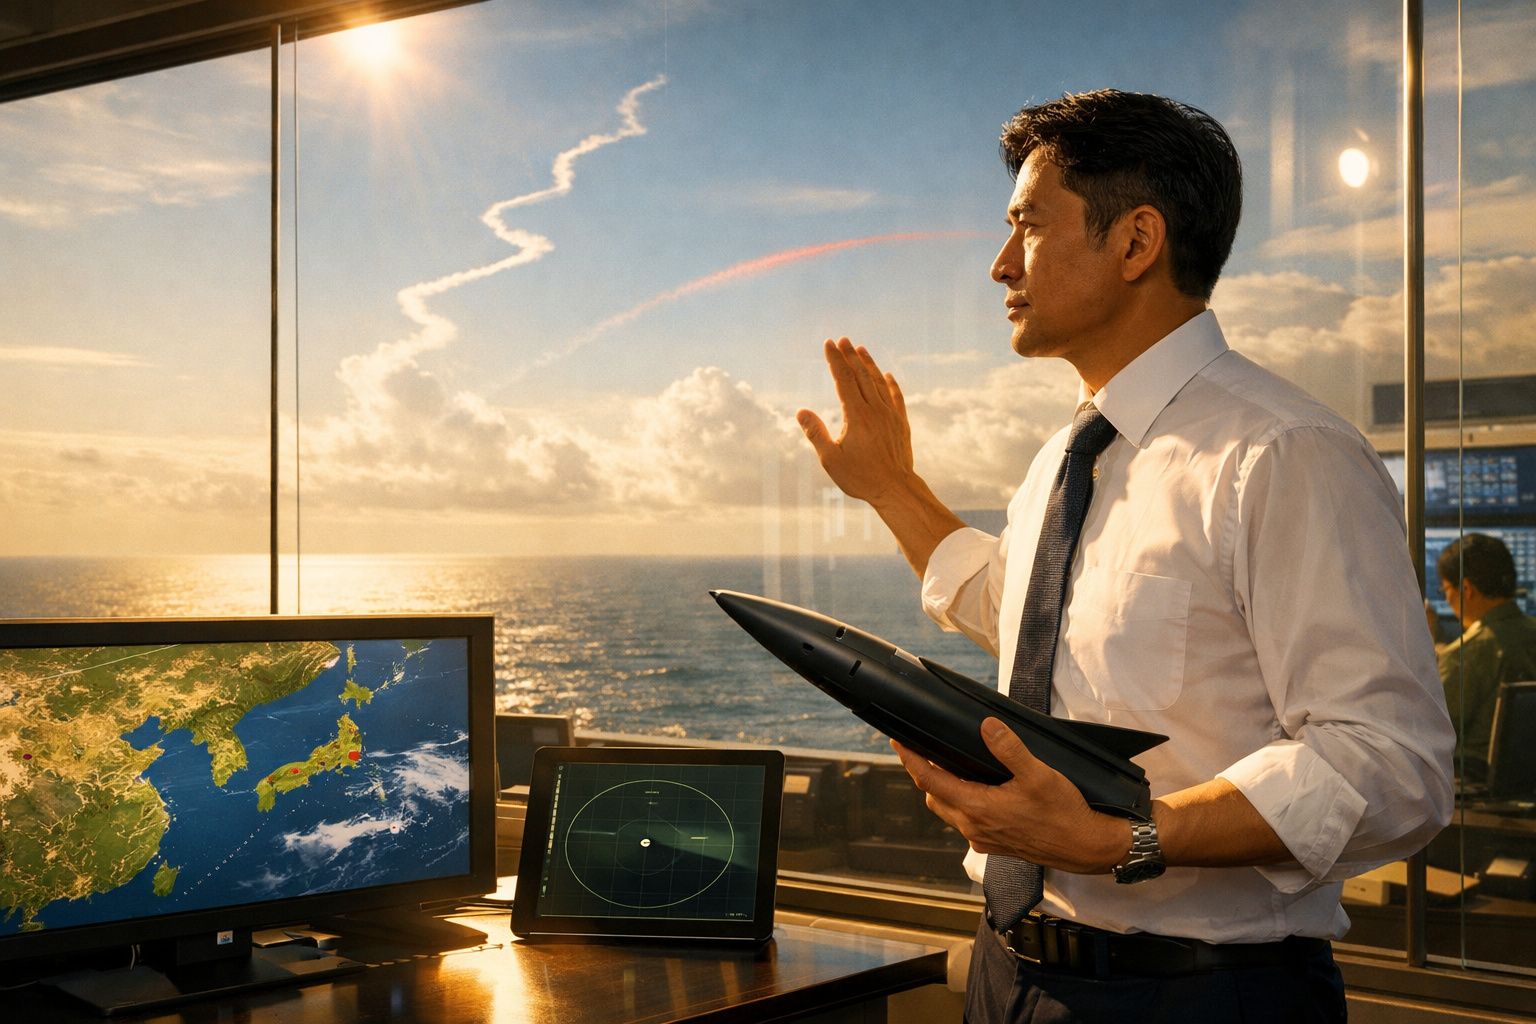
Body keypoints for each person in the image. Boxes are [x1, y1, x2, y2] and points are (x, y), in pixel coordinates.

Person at [796, 89, 1455, 1023]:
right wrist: (892, 488)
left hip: (1196, 999)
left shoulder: (1282, 453)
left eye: (1027, 225)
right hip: (1009, 972)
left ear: (1137, 242)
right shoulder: (1070, 458)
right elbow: (1035, 621)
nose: (998, 264)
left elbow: (1393, 767)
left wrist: (1127, 838)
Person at [1436, 532, 1536, 783]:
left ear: (1466, 589)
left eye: (1445, 589)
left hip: (1473, 786)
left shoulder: (1466, 654)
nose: (1446, 599)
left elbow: (1427, 729)